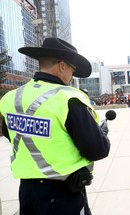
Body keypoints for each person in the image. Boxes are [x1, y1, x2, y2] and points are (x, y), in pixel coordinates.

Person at [0, 37, 111, 215]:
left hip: (27, 193)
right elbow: (97, 149)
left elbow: (10, 132)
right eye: (72, 70)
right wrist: (101, 134)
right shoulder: (69, 99)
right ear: (62, 66)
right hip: (63, 195)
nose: (72, 76)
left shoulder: (10, 98)